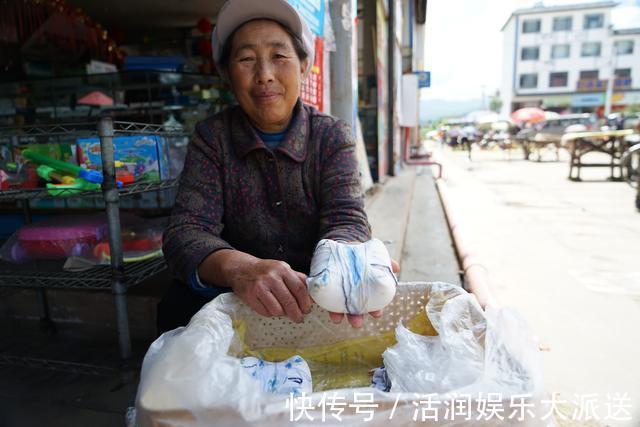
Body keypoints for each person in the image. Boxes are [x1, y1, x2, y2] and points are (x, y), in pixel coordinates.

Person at [159, 0, 395, 333]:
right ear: (227, 75)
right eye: (246, 59)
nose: (265, 75)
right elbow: (186, 231)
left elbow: (347, 217)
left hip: (315, 294)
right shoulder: (212, 137)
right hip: (240, 295)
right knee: (176, 310)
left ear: (303, 66)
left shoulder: (331, 134)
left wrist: (343, 262)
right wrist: (240, 268)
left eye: (279, 56)